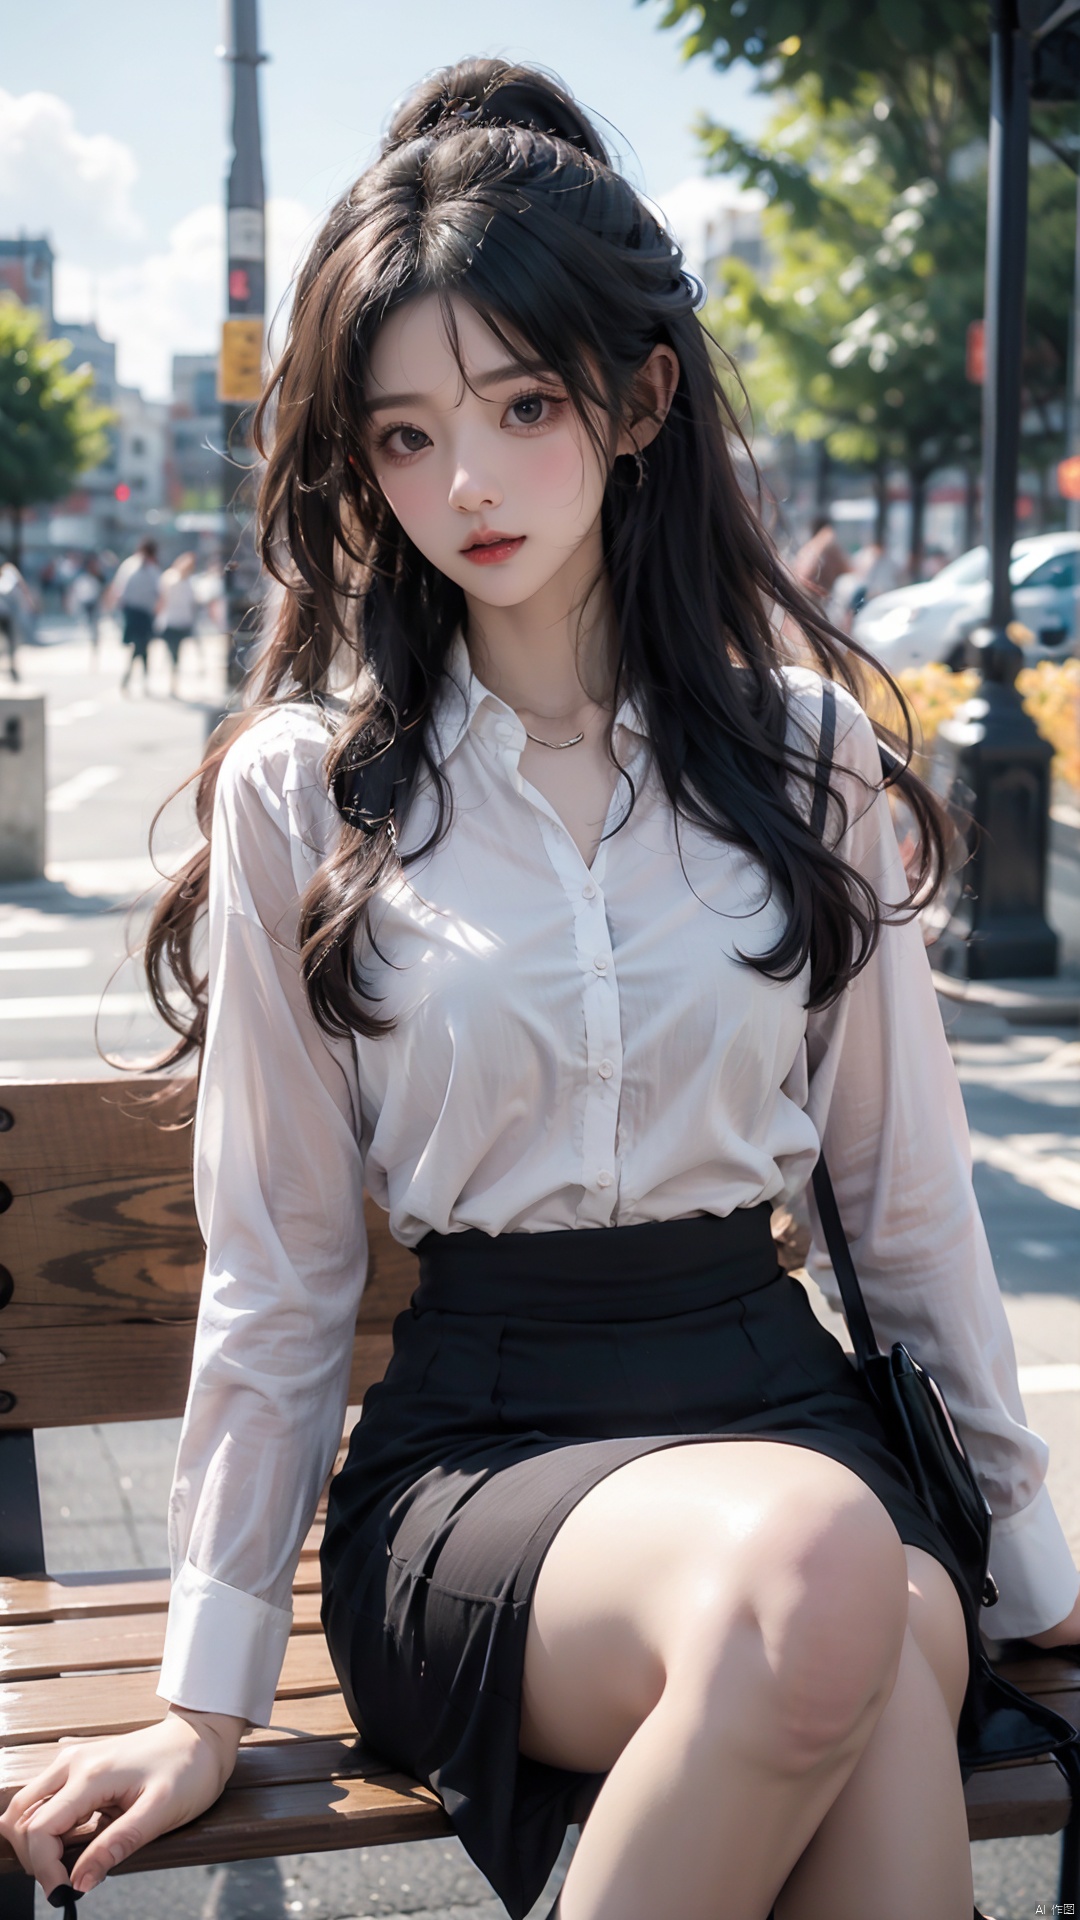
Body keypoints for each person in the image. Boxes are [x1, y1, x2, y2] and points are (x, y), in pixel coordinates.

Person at [4, 60, 1078, 1920]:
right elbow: (278, 1262)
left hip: (775, 1404)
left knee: (890, 1628)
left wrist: (1043, 1582)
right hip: (484, 1461)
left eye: (518, 405)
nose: (466, 482)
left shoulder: (807, 759)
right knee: (846, 1596)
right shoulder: (311, 790)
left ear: (640, 397)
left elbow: (908, 1213)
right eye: (407, 436)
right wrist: (205, 1686)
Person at [109, 538, 161, 691]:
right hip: (134, 612)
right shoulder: (134, 566)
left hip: (142, 612)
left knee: (141, 646)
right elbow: (118, 589)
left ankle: (132, 676)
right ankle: (140, 677)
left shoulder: (150, 568)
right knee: (141, 645)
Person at [156, 551, 198, 695]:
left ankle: (172, 679)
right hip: (178, 621)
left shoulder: (171, 578)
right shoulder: (185, 582)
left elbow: (161, 599)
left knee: (173, 652)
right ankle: (173, 679)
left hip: (174, 621)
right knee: (175, 653)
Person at [0, 558, 35, 679]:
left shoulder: (9, 573)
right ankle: (12, 666)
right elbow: (23, 587)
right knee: (11, 641)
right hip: (8, 613)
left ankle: (12, 666)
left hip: (8, 613)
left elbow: (22, 588)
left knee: (11, 641)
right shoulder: (10, 573)